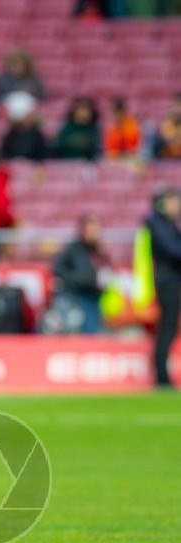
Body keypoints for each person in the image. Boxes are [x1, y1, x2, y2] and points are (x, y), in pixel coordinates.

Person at [144, 189, 181, 387]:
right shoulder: (158, 225)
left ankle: (163, 376)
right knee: (167, 329)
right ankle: (162, 377)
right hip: (167, 282)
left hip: (170, 281)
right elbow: (173, 251)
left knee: (169, 328)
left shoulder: (166, 225)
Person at [52, 215, 110, 333]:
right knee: (79, 332)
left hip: (94, 297)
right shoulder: (73, 249)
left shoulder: (99, 251)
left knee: (93, 331)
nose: (94, 233)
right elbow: (57, 268)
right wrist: (76, 280)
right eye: (91, 230)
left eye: (96, 230)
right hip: (77, 298)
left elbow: (106, 270)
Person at [0, 91, 48, 161]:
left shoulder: (37, 136)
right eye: (28, 116)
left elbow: (42, 156)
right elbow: (5, 155)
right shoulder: (10, 136)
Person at [154, 93, 181, 160]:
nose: (178, 109)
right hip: (169, 155)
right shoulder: (168, 121)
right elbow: (167, 138)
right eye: (177, 106)